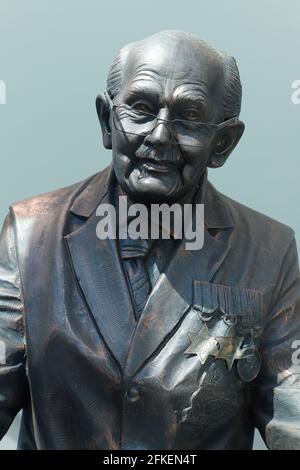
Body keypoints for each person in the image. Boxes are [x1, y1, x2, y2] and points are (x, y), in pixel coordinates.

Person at [0, 30, 299, 450]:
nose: (160, 135)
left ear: (224, 143)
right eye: (141, 109)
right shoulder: (30, 235)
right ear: (107, 121)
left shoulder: (270, 251)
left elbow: (293, 410)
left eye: (189, 116)